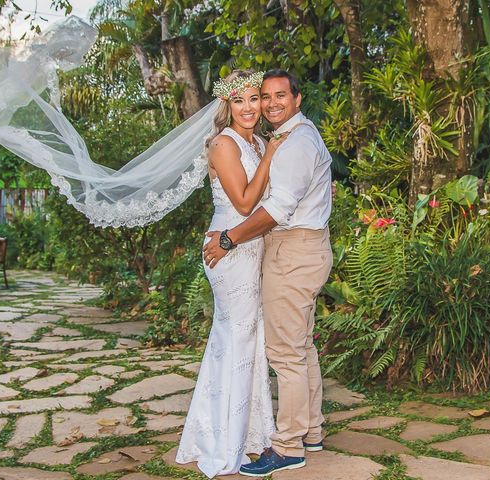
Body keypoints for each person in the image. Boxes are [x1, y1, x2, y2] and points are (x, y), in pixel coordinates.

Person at [203, 69, 333, 477]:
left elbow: (276, 209)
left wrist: (228, 240)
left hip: (291, 252)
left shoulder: (293, 143)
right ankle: (309, 431)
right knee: (299, 347)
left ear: (297, 99)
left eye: (279, 96)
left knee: (285, 353)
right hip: (291, 250)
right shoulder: (285, 137)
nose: (270, 103)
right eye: (265, 95)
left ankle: (289, 444)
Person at [175, 70, 288, 478]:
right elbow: (243, 203)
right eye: (239, 101)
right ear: (227, 104)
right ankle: (226, 442)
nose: (249, 108)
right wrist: (273, 156)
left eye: (254, 99)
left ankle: (249, 433)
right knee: (238, 338)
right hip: (229, 248)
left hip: (252, 247)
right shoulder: (223, 144)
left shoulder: (255, 141)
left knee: (246, 339)